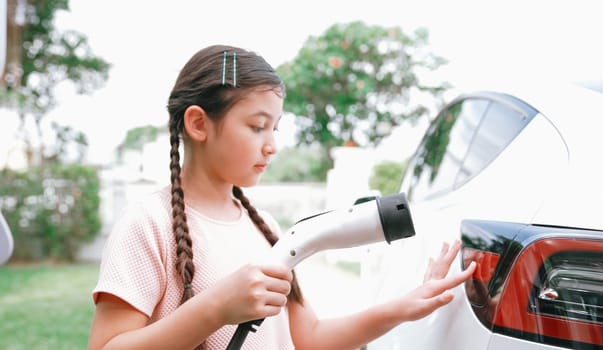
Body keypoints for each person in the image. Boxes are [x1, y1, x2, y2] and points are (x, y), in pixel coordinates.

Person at [87, 44, 476, 350]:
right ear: (198, 123)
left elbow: (309, 339)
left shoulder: (265, 228)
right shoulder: (147, 222)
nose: (272, 146)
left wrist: (404, 307)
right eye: (257, 127)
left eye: (275, 128)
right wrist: (215, 308)